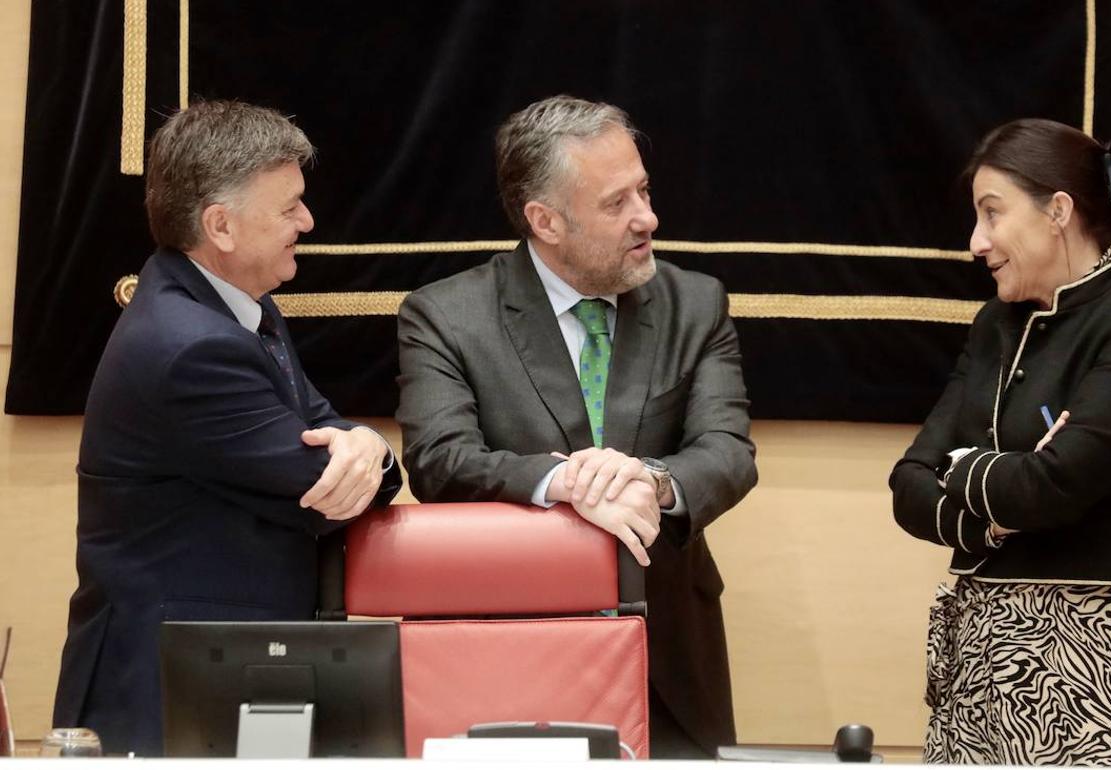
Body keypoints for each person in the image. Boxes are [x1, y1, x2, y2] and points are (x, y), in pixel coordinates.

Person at [396, 95, 757, 758]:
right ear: (546, 221)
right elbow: (439, 460)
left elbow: (727, 451)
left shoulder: (696, 303)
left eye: (644, 190)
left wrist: (652, 481)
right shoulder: (446, 317)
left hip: (671, 651)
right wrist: (563, 480)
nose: (647, 218)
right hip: (514, 652)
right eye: (617, 203)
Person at [52, 100, 402, 756]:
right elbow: (320, 492)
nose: (308, 220)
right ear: (222, 226)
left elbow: (330, 429)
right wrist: (367, 457)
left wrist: (368, 445)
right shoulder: (192, 348)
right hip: (164, 693)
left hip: (214, 673)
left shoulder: (238, 307)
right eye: (289, 206)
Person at [890, 118, 1111, 765]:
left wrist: (967, 467)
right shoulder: (995, 326)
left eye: (992, 214)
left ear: (1058, 210)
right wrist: (998, 508)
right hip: (975, 650)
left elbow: (1055, 487)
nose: (977, 242)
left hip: (1092, 653)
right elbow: (908, 485)